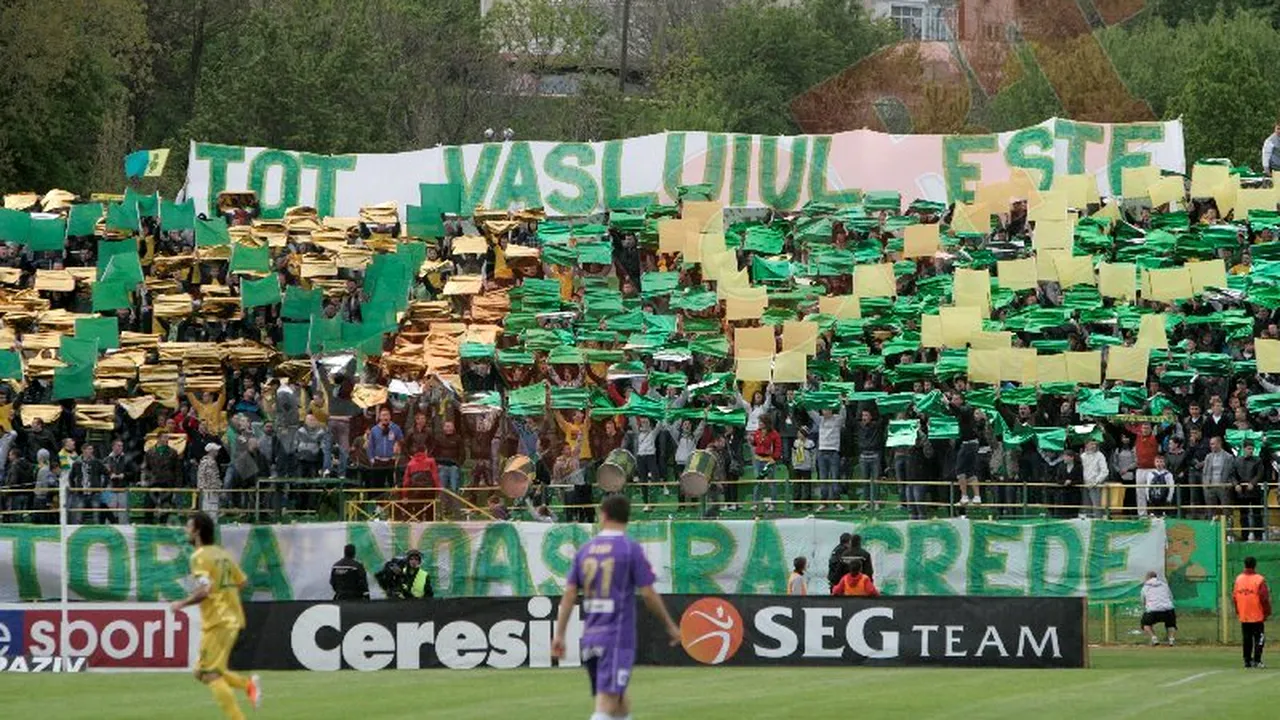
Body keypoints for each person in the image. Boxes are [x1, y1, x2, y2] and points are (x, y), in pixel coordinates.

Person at [552, 495, 681, 720]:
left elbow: (570, 594)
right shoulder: (630, 549)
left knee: (620, 699)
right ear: (627, 517)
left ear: (603, 515)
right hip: (617, 637)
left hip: (591, 637)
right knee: (608, 700)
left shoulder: (585, 550)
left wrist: (560, 634)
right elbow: (648, 593)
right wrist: (670, 625)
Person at [169, 511, 261, 719]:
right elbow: (242, 582)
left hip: (219, 620)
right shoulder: (222, 554)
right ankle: (247, 685)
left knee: (209, 673)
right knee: (201, 672)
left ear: (197, 531)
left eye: (189, 526)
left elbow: (205, 589)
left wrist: (182, 604)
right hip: (230, 617)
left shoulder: (199, 557)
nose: (186, 530)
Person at [1234, 556, 1272, 669]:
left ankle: (1247, 661)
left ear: (1244, 565)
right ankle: (1257, 660)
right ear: (1255, 565)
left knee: (1247, 638)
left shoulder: (1238, 579)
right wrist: (1267, 612)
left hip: (1244, 614)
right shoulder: (1259, 579)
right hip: (1257, 614)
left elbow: (1234, 597)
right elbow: (1264, 597)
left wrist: (1238, 611)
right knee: (1259, 638)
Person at [1140, 571, 1177, 647]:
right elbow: (1170, 597)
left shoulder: (1145, 587)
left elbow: (1143, 601)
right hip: (1168, 609)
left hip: (1153, 610)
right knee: (1171, 624)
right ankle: (1171, 640)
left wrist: (1146, 608)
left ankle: (1154, 638)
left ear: (1148, 578)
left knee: (1145, 624)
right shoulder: (1164, 585)